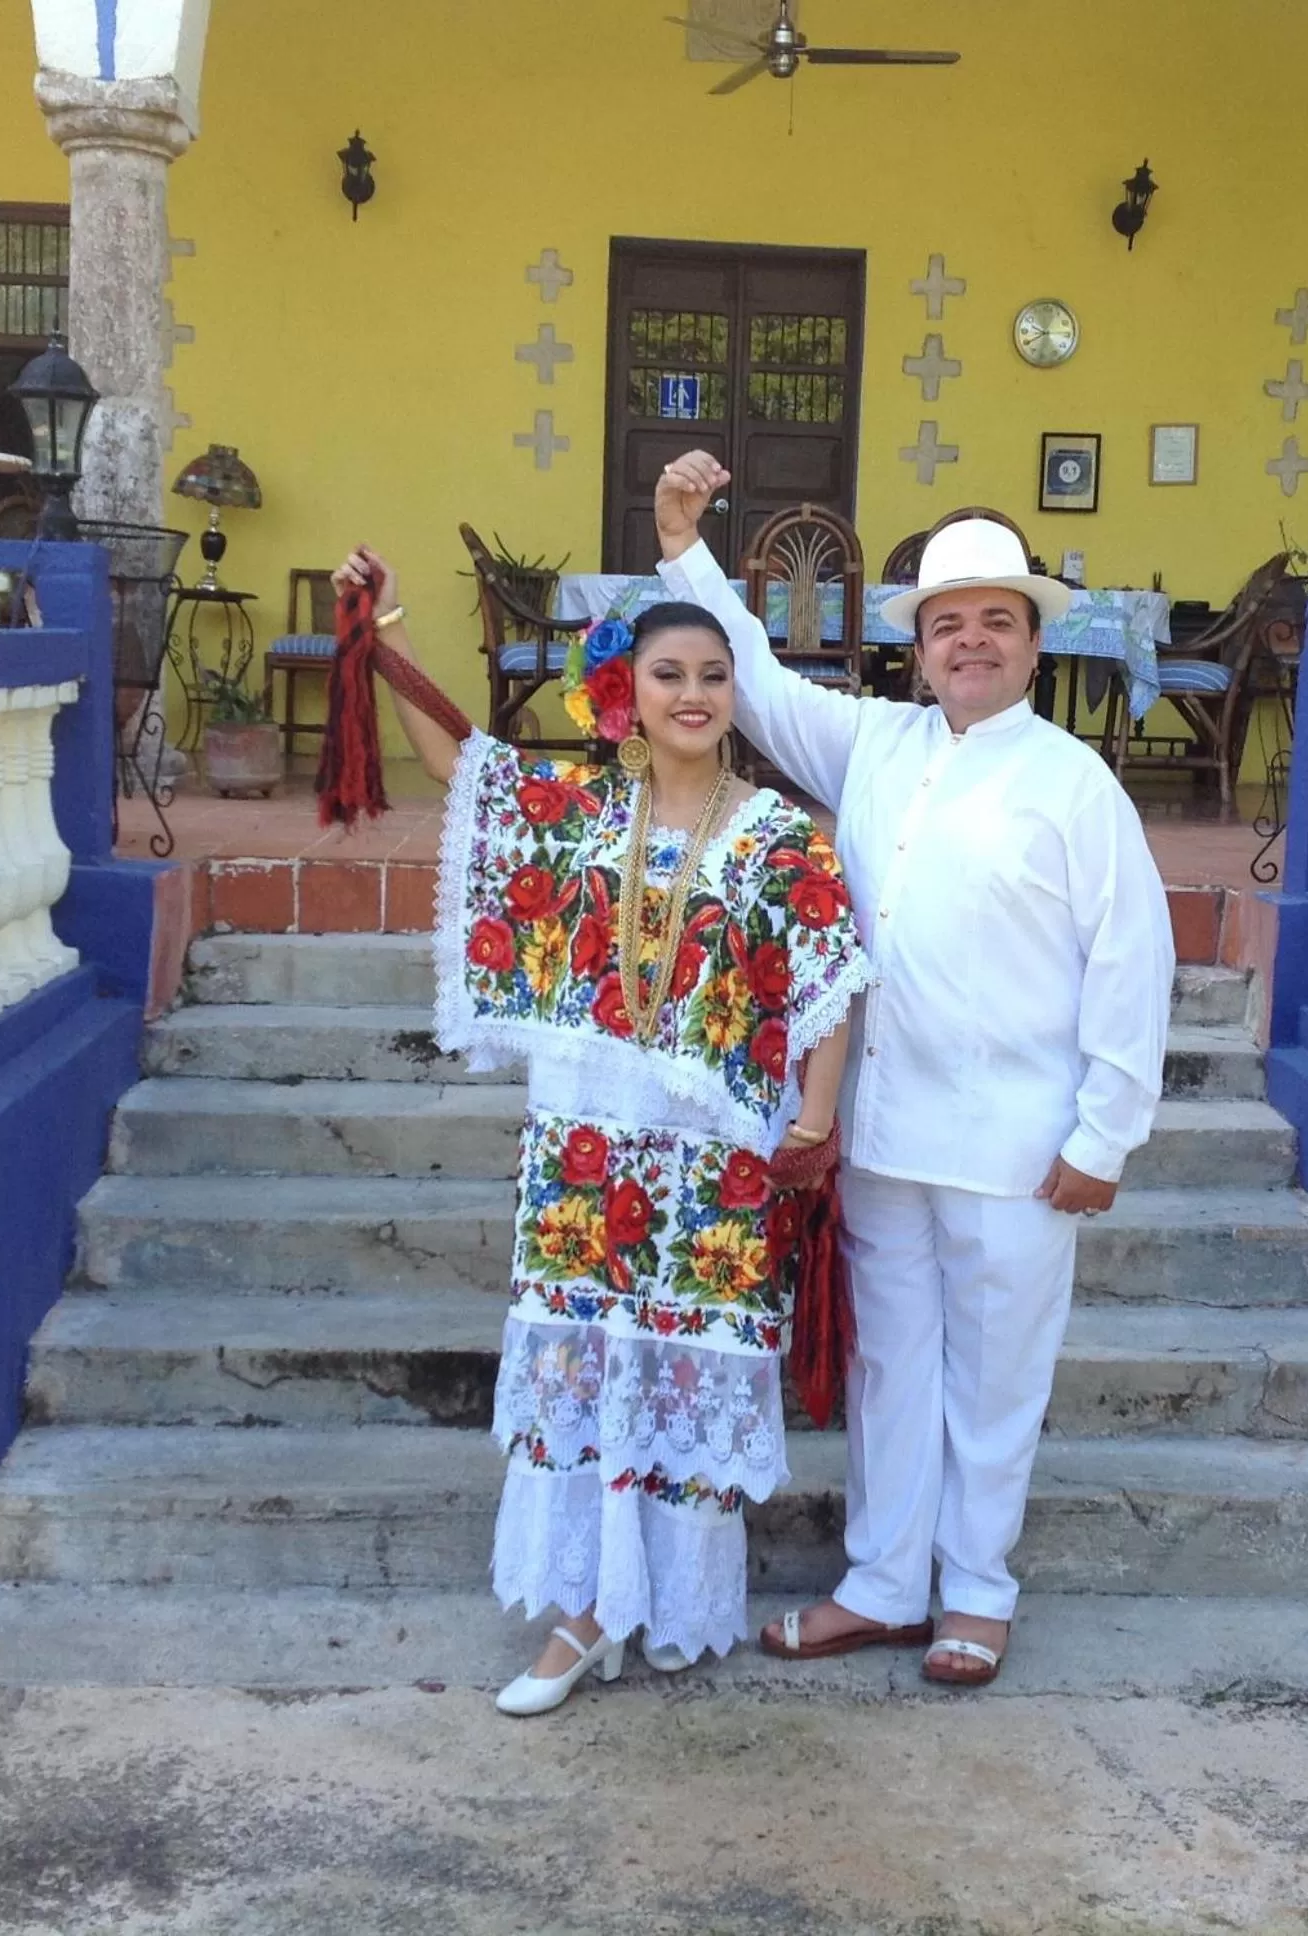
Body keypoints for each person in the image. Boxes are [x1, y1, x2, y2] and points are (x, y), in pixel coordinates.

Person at [651, 456, 1175, 1688]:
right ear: (919, 648)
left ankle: (977, 1593)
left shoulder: (1074, 782)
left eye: (996, 619)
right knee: (892, 1373)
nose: (971, 641)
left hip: (1018, 1148)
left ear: (1032, 641)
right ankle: (884, 1584)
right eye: (949, 624)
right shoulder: (874, 745)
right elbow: (760, 685)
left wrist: (1104, 1136)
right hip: (883, 1133)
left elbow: (1131, 964)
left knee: (996, 1381)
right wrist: (684, 546)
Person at [330, 545, 870, 1716]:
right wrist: (388, 631)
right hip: (583, 1147)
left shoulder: (783, 837)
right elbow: (459, 766)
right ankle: (580, 1617)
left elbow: (832, 978)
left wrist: (815, 1123)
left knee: (683, 1364)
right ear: (628, 689)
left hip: (720, 1158)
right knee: (588, 1366)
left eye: (714, 676)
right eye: (669, 671)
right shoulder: (577, 815)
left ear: (734, 694)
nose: (692, 694)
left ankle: (667, 1603)